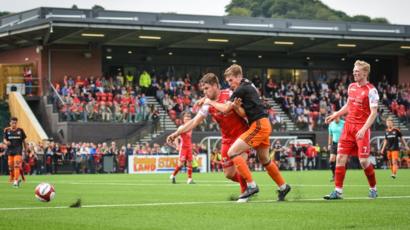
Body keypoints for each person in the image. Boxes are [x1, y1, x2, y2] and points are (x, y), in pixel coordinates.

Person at [203, 64, 291, 201]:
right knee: (264, 159)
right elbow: (243, 112)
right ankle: (283, 186)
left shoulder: (240, 89)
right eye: (228, 81)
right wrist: (237, 108)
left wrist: (209, 102)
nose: (229, 84)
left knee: (233, 152)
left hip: (258, 125)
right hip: (264, 124)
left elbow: (225, 109)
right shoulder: (247, 85)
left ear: (239, 77)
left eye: (231, 80)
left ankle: (251, 185)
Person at [167, 73, 249, 200]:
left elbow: (226, 109)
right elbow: (194, 122)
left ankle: (245, 194)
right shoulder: (207, 104)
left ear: (215, 85)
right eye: (203, 89)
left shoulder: (230, 93)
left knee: (239, 166)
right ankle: (249, 184)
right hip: (226, 139)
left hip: (242, 135)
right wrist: (176, 133)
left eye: (207, 88)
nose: (205, 92)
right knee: (229, 174)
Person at [324, 60, 379, 200]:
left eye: (357, 71)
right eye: (354, 71)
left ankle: (373, 188)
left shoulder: (371, 91)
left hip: (362, 128)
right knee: (340, 158)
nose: (355, 73)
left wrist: (364, 129)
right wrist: (336, 114)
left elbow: (373, 113)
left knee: (363, 161)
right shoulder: (351, 87)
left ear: (365, 73)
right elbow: (348, 106)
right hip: (348, 127)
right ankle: (338, 191)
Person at [169, 112, 195, 184]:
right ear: (183, 120)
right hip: (183, 147)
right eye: (186, 118)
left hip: (189, 147)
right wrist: (177, 146)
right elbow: (176, 137)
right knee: (181, 164)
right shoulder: (181, 127)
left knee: (190, 163)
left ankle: (189, 179)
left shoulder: (191, 126)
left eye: (189, 118)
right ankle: (173, 175)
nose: (188, 119)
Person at [3, 117, 27, 188]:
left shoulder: (20, 130)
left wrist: (25, 150)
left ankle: (16, 180)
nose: (14, 124)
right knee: (10, 166)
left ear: (17, 123)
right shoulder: (6, 130)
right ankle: (14, 177)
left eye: (15, 123)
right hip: (10, 150)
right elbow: (4, 139)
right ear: (10, 123)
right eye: (12, 123)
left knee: (16, 165)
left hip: (18, 150)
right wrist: (6, 142)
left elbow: (24, 141)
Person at [328, 116, 345, 181]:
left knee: (341, 160)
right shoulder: (331, 125)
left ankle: (340, 176)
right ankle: (334, 175)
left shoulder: (344, 123)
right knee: (332, 159)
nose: (335, 119)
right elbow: (330, 135)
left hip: (343, 143)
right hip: (334, 144)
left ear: (339, 117)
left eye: (336, 117)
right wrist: (329, 144)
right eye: (334, 117)